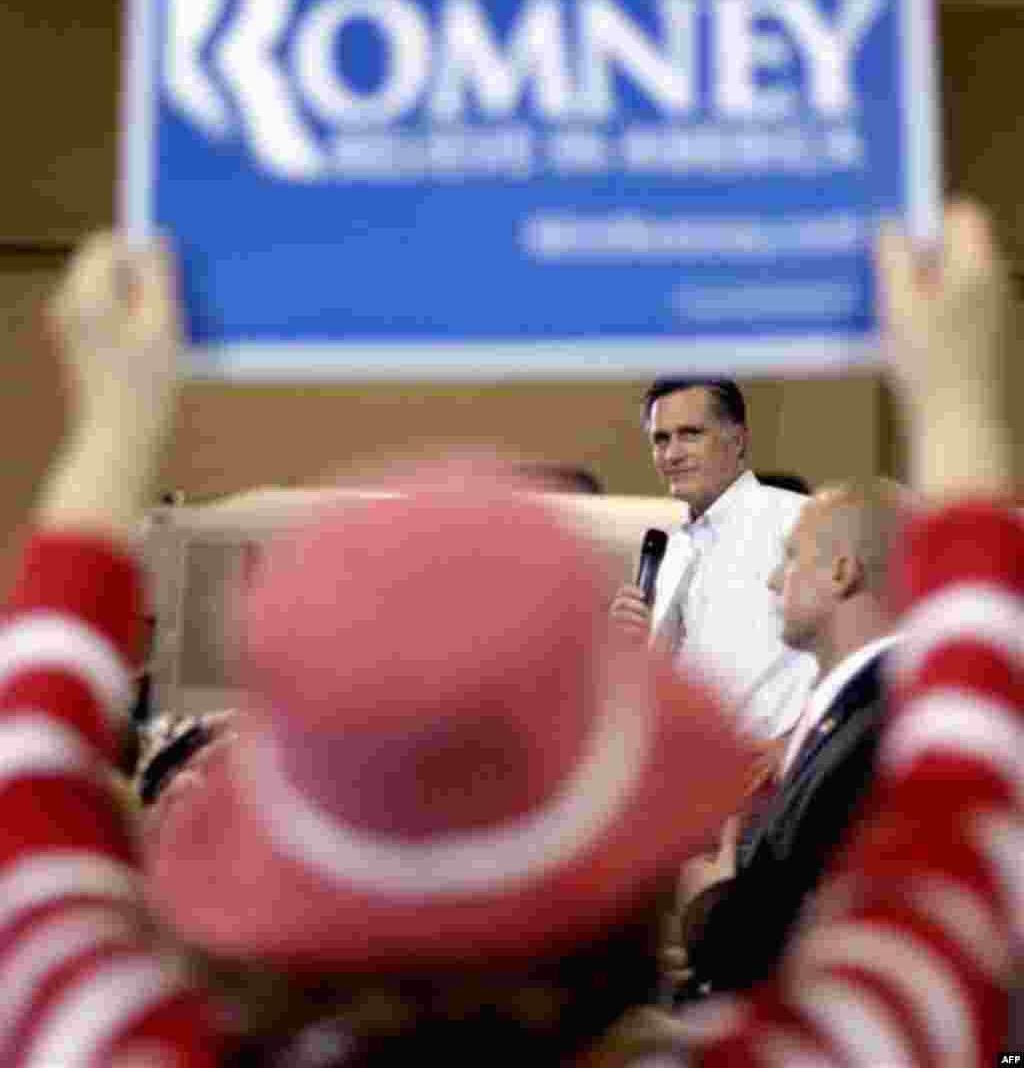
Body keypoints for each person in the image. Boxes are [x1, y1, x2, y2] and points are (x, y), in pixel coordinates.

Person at [0, 200, 1020, 1068]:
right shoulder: (848, 1039)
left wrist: (112, 422)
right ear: (634, 861)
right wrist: (956, 393)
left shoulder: (100, 1034)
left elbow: (27, 778)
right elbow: (972, 790)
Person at [678, 477, 906, 997]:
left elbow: (798, 949)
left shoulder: (881, 729)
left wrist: (707, 907)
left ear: (842, 572)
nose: (775, 580)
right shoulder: (859, 710)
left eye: (791, 555)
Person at [610, 378, 817, 745]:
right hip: (690, 772)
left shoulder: (798, 519)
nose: (672, 454)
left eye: (690, 434)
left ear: (738, 440)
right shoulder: (670, 552)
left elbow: (856, 642)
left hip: (775, 774)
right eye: (661, 439)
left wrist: (795, 746)